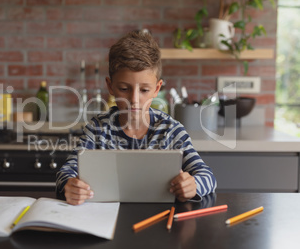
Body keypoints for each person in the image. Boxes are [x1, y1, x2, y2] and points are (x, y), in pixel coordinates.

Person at [56, 30, 217, 205]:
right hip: (106, 220)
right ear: (110, 87)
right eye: (124, 89)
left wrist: (193, 186)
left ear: (157, 89)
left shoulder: (171, 130)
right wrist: (69, 185)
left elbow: (207, 176)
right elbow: (66, 172)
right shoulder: (97, 129)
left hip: (159, 221)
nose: (134, 100)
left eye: (144, 90)